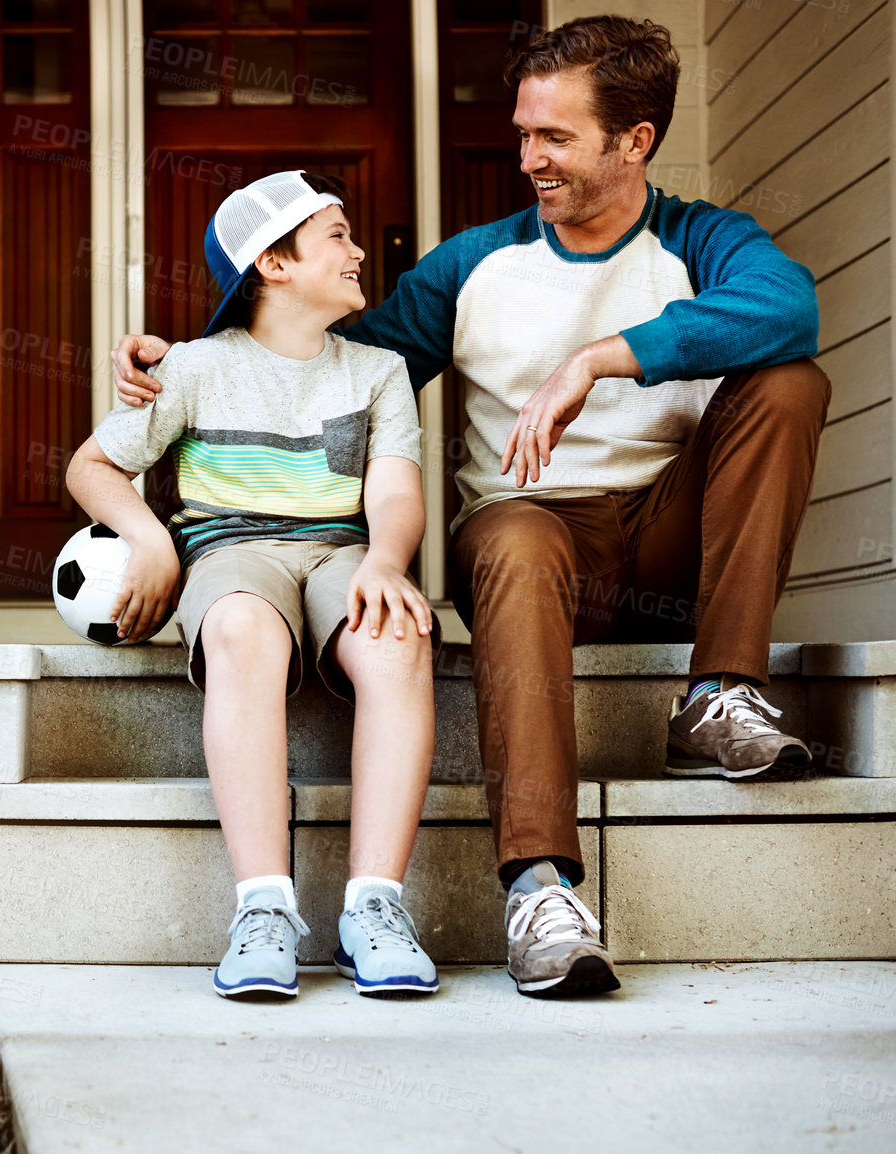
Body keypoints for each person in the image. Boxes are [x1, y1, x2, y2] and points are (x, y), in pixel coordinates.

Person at [111, 16, 831, 998]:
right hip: (527, 544)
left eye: (555, 137)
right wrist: (183, 362)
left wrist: (600, 356)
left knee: (788, 380)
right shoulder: (470, 266)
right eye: (522, 131)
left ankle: (717, 693)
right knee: (515, 528)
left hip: (671, 538)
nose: (527, 157)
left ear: (635, 141)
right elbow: (317, 348)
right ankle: (540, 886)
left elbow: (789, 307)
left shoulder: (701, 241)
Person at [66, 170, 441, 999]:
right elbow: (93, 466)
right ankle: (263, 907)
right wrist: (149, 538)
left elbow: (393, 490)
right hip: (233, 548)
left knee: (397, 636)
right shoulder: (193, 368)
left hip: (342, 552)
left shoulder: (378, 372)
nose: (356, 250)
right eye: (336, 234)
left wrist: (385, 561)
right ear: (274, 264)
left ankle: (374, 906)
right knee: (240, 629)